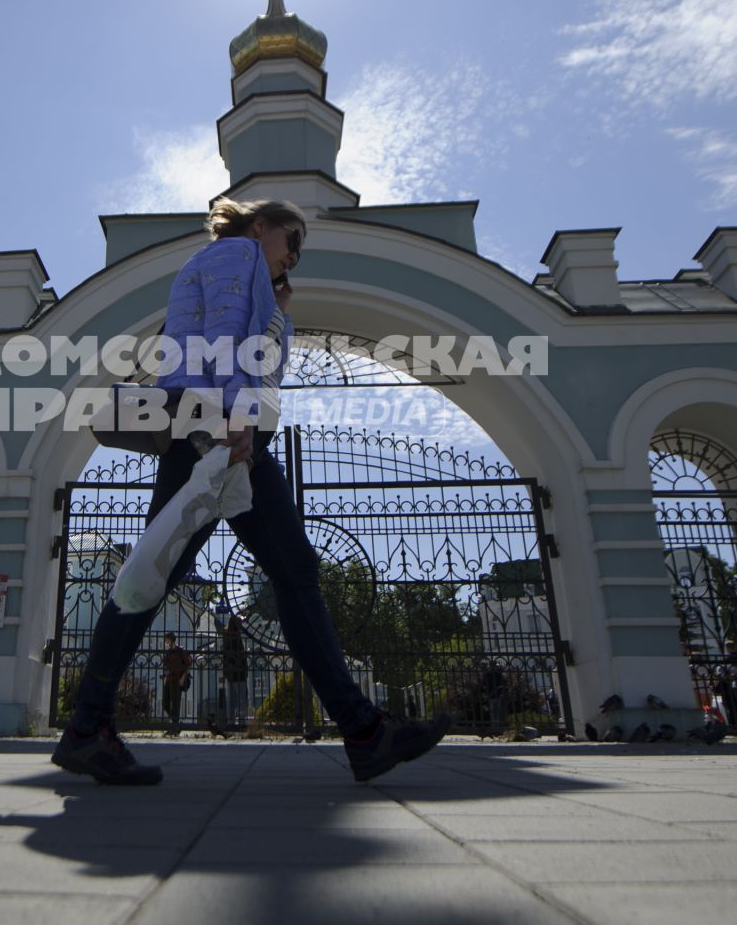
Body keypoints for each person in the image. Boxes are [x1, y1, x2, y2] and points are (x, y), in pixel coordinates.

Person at [52, 196, 450, 785]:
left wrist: (278, 314)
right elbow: (219, 338)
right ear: (261, 226)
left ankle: (362, 729)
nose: (294, 256)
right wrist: (237, 413)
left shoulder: (235, 271)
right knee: (234, 575)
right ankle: (363, 730)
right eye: (293, 240)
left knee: (227, 574)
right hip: (220, 430)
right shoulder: (236, 252)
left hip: (214, 429)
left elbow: (244, 350)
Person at [220, 613, 249, 730]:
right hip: (239, 671)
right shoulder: (236, 636)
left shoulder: (226, 635)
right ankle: (242, 721)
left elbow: (225, 653)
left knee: (231, 698)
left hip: (229, 672)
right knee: (242, 697)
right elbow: (238, 654)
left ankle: (231, 721)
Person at [159, 633, 192, 734]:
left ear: (171, 640)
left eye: (167, 639)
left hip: (178, 680)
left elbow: (188, 664)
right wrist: (164, 675)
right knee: (165, 703)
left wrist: (183, 678)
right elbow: (167, 666)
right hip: (169, 679)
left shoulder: (180, 651)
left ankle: (174, 728)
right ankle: (175, 722)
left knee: (176, 704)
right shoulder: (168, 652)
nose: (165, 641)